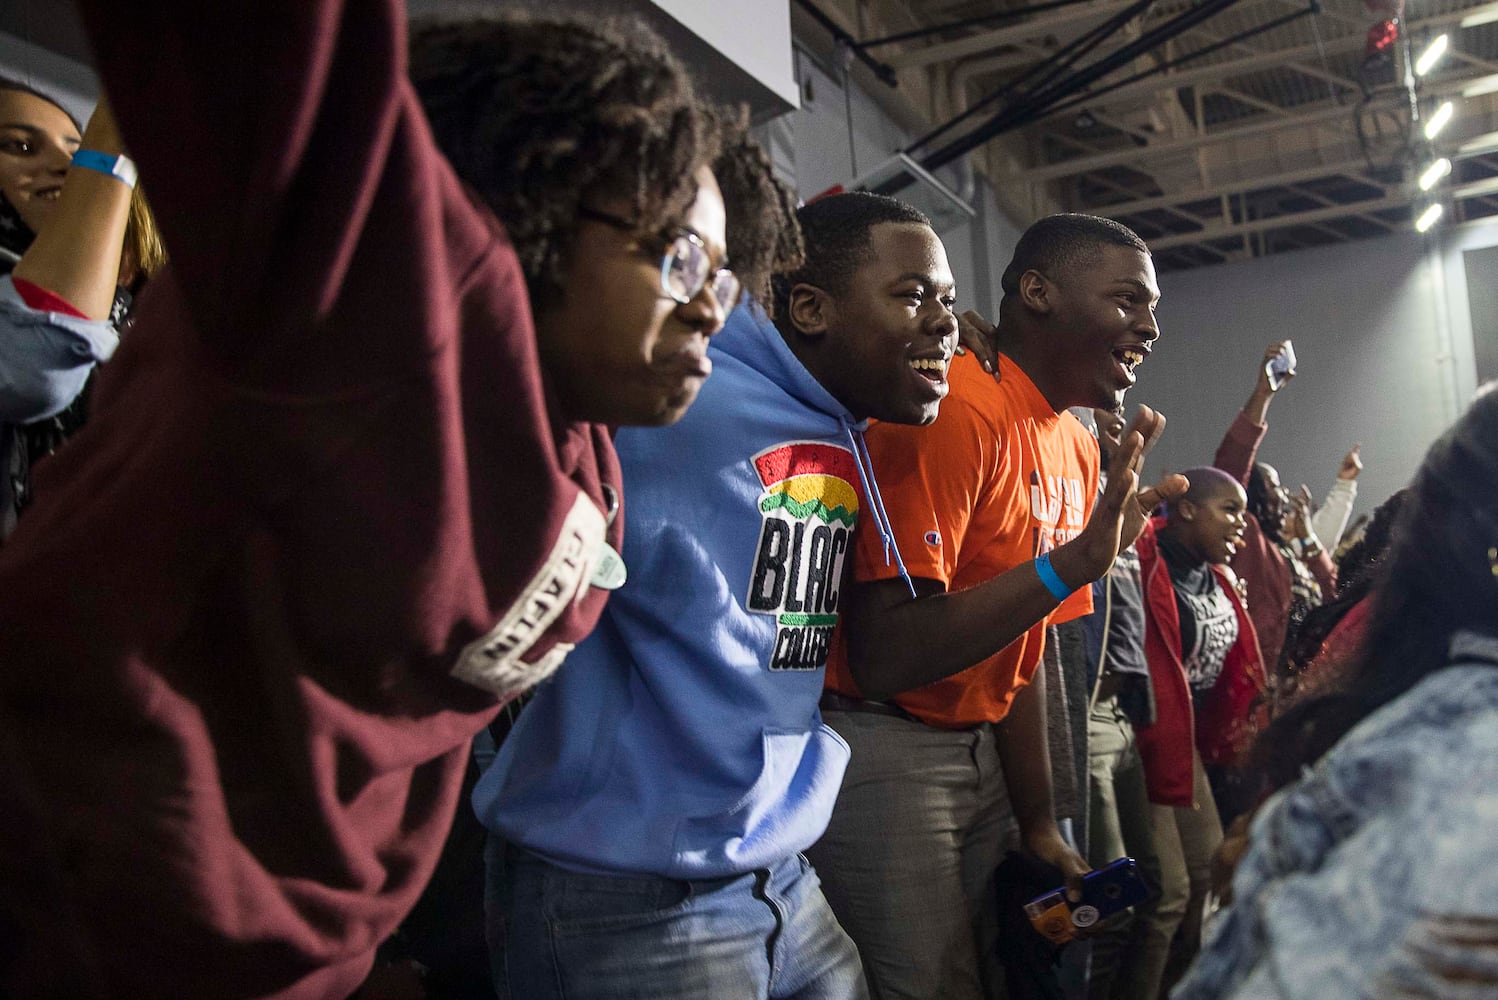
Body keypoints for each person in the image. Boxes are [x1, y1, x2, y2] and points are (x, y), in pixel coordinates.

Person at [0, 5, 792, 997]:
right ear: (521, 210)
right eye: (677, 256)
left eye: (720, 274)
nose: (712, 304)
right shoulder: (368, 297)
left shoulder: (584, 440)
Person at [475, 191, 959, 999]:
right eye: (914, 295)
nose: (945, 321)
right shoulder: (675, 396)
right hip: (628, 895)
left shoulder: (840, 417)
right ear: (809, 309)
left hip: (780, 877)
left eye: (947, 299)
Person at [810, 213, 1185, 999]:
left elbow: (1034, 646)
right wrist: (1064, 567)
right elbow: (883, 654)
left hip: (987, 750)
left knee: (1009, 968)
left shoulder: (1080, 446)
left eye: (1152, 307)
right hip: (891, 744)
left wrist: (1040, 818)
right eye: (1127, 301)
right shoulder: (954, 409)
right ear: (1039, 293)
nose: (1149, 326)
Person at [1175, 385, 1498, 999]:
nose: (1245, 515)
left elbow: (1322, 559)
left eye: (1251, 505)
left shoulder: (1283, 559)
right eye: (1236, 506)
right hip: (1223, 731)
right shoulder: (1465, 777)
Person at [0, 83, 164, 538]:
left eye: (76, 148)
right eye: (21, 146)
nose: (64, 165)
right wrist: (111, 144)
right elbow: (35, 362)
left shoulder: (147, 320)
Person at [1130, 466, 1266, 996]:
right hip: (1146, 739)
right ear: (1186, 509)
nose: (1243, 524)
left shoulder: (1220, 576)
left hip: (1187, 744)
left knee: (1209, 877)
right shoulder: (1145, 562)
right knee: (1167, 896)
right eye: (1229, 510)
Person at [1078, 408, 1161, 1000]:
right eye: (1097, 423)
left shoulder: (1126, 512)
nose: (1116, 430)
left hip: (1124, 717)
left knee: (1153, 887)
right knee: (1110, 909)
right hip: (1085, 721)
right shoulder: (1074, 510)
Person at [1213, 343, 1336, 678]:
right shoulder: (1246, 540)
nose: (1284, 495)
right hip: (1261, 684)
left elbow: (1334, 596)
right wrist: (1263, 396)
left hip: (1304, 684)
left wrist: (1308, 537)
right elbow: (1229, 470)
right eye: (1274, 486)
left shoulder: (1288, 553)